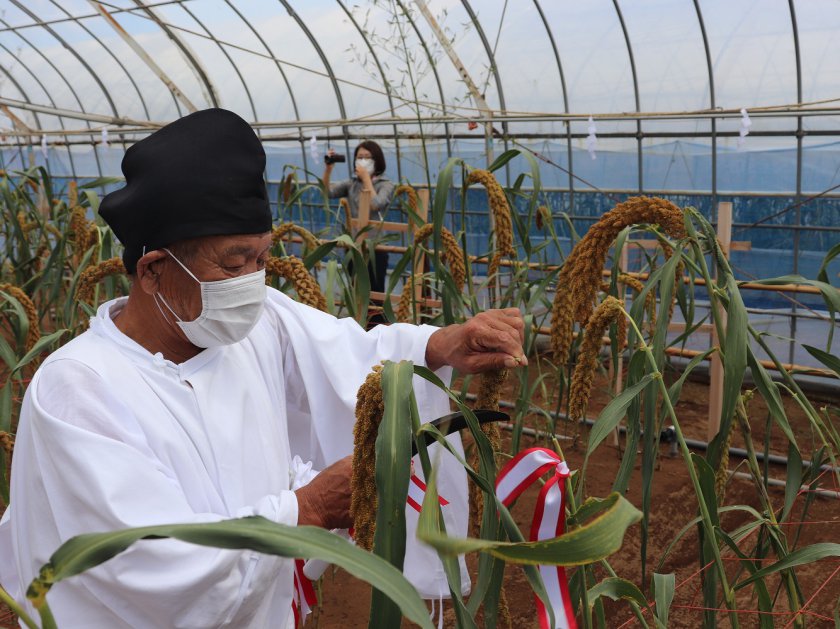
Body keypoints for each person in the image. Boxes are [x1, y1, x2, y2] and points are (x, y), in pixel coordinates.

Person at [0, 109, 527, 628]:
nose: (252, 280)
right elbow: (148, 563)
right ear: (154, 270)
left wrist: (442, 344)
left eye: (262, 259)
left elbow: (351, 358)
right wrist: (307, 510)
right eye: (233, 264)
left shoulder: (255, 323)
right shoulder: (79, 390)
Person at [323, 140, 394, 295]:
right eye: (359, 157)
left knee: (375, 292)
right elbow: (328, 192)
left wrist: (367, 179)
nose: (362, 160)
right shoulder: (352, 184)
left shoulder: (385, 184)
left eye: (367, 157)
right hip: (354, 246)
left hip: (375, 248)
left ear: (377, 160)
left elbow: (376, 204)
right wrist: (328, 170)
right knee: (356, 292)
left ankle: (376, 321)